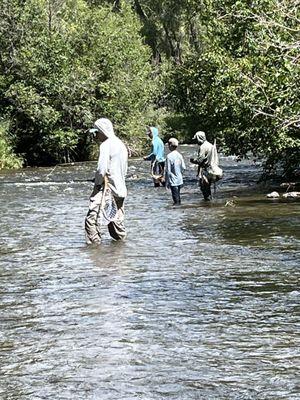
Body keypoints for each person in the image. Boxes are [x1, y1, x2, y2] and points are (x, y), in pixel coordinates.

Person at [85, 118, 128, 244]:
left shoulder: (105, 145)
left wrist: (97, 185)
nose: (96, 136)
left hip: (106, 189)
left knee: (91, 220)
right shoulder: (121, 144)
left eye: (97, 132)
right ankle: (122, 251)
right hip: (120, 189)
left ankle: (95, 251)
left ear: (102, 131)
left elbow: (101, 170)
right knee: (115, 223)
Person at [190, 131, 214, 200]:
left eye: (196, 139)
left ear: (199, 138)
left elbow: (200, 160)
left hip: (205, 170)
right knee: (208, 187)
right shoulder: (210, 145)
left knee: (204, 188)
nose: (196, 141)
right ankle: (209, 203)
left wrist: (192, 160)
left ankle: (207, 203)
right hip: (211, 169)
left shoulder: (203, 147)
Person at [165, 138, 186, 205]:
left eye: (168, 144)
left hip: (173, 180)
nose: (168, 146)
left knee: (175, 199)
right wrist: (180, 174)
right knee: (178, 198)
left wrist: (167, 182)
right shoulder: (179, 155)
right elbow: (184, 168)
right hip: (179, 180)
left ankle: (176, 212)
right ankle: (179, 210)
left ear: (170, 145)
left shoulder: (169, 156)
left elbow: (168, 171)